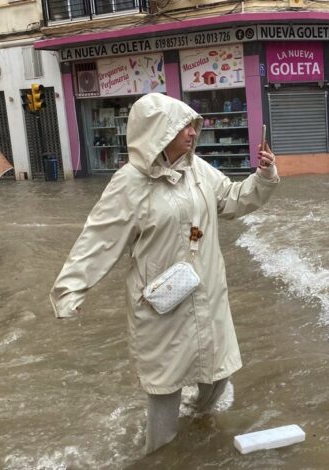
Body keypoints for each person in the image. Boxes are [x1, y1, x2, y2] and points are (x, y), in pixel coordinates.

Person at [49, 93, 280, 454]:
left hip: (207, 293)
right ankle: (160, 456)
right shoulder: (130, 183)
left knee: (217, 374)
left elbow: (232, 199)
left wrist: (263, 176)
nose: (192, 133)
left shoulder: (198, 170)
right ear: (159, 132)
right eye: (183, 126)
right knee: (165, 388)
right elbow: (99, 238)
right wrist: (70, 290)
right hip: (162, 304)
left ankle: (197, 427)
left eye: (192, 125)